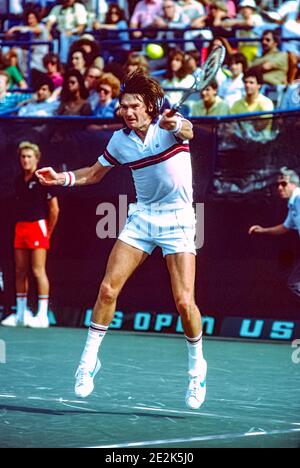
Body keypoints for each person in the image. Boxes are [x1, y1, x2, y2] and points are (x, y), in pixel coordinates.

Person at [35, 70, 207, 410]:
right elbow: (94, 174)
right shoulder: (120, 141)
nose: (127, 112)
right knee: (108, 289)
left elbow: (187, 130)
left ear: (149, 107)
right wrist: (63, 178)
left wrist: (174, 125)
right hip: (142, 217)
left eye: (134, 106)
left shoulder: (170, 127)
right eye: (123, 106)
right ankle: (88, 362)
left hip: (179, 220)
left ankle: (196, 369)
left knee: (185, 302)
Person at [1, 141, 59, 328]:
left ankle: (42, 315)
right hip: (21, 228)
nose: (25, 160)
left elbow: (54, 210)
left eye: (29, 157)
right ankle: (20, 314)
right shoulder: (18, 180)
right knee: (20, 271)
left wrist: (47, 232)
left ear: (37, 159)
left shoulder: (44, 179)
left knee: (37, 270)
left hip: (38, 227)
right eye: (23, 157)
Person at [249, 167, 300, 301]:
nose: (280, 188)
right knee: (294, 283)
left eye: (284, 183)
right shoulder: (293, 204)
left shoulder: (299, 197)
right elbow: (285, 227)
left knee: (294, 283)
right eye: (278, 184)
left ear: (294, 184)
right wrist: (262, 230)